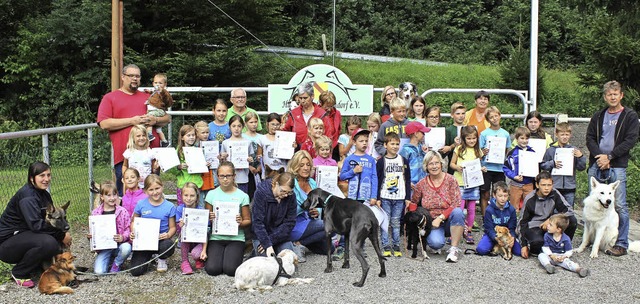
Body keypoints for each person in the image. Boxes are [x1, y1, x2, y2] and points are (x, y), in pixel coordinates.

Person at [97, 64, 171, 196]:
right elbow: (104, 123)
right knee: (126, 196)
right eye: (131, 76)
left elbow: (167, 118)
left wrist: (156, 120)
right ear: (123, 77)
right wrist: (132, 121)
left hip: (151, 157)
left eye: (137, 76)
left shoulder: (148, 97)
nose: (134, 79)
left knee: (152, 195)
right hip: (126, 158)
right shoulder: (110, 98)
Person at [585, 80, 639, 257]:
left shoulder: (629, 116)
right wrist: (600, 157)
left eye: (616, 94)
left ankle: (621, 243)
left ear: (621, 95)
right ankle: (590, 240)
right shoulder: (599, 116)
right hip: (597, 163)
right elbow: (590, 138)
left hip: (617, 165)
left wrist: (610, 156)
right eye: (609, 94)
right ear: (605, 96)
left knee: (620, 205)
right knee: (594, 201)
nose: (613, 97)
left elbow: (630, 140)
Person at [0, 162, 72, 288]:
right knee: (48, 243)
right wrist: (61, 235)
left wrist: (61, 231)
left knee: (51, 241)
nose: (46, 179)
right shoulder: (27, 197)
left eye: (48, 175)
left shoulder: (44, 194)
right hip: (6, 244)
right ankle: (19, 272)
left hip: (23, 237)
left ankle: (39, 267)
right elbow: (36, 226)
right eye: (42, 176)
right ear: (32, 178)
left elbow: (49, 221)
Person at [411, 151, 465, 263]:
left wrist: (441, 217)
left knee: (459, 212)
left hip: (449, 218)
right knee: (436, 244)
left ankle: (453, 249)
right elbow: (414, 203)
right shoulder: (421, 184)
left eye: (436, 163)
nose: (434, 166)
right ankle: (437, 243)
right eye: (431, 164)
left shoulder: (451, 180)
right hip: (432, 223)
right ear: (426, 166)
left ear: (441, 164)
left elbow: (456, 203)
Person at [204, 162, 251, 276]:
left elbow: (248, 220)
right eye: (222, 176)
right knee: (212, 269)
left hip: (236, 238)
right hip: (216, 237)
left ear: (234, 176)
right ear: (217, 177)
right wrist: (209, 217)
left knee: (231, 270)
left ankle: (238, 251)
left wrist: (240, 222)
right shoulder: (211, 194)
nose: (225, 179)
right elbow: (205, 219)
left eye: (228, 176)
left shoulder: (242, 196)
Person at [519, 171, 576, 259]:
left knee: (572, 220)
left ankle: (563, 245)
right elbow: (522, 223)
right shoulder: (530, 199)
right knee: (537, 242)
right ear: (537, 185)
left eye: (549, 185)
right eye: (543, 185)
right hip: (534, 227)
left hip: (550, 223)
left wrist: (550, 220)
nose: (546, 188)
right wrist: (523, 245)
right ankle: (539, 249)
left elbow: (569, 210)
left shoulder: (555, 194)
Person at [129, 174, 176, 276]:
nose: (155, 192)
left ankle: (161, 258)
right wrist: (133, 231)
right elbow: (133, 221)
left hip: (161, 240)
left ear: (162, 187)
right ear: (145, 191)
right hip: (144, 241)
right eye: (151, 190)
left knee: (168, 245)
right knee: (136, 271)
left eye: (157, 188)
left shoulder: (170, 206)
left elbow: (173, 228)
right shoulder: (141, 204)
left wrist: (168, 235)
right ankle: (149, 256)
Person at [288, 150, 330, 261]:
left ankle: (299, 244)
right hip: (295, 224)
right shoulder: (291, 183)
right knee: (333, 224)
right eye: (302, 165)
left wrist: (317, 211)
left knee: (329, 249)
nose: (306, 168)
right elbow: (289, 211)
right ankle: (297, 243)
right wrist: (304, 207)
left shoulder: (312, 182)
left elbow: (319, 205)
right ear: (295, 166)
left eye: (308, 165)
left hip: (309, 222)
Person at [376, 132, 411, 257]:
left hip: (400, 197)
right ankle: (385, 245)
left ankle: (396, 245)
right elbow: (377, 180)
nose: (395, 146)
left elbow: (407, 179)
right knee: (385, 221)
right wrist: (377, 198)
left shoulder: (403, 160)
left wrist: (408, 197)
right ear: (385, 145)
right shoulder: (381, 162)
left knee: (396, 222)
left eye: (397, 144)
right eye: (392, 143)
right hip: (385, 196)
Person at [449, 126, 486, 244]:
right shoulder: (459, 149)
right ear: (464, 139)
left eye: (474, 138)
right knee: (459, 208)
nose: (472, 141)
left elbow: (478, 166)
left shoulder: (478, 151)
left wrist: (482, 169)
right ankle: (455, 232)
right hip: (460, 182)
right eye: (469, 138)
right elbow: (452, 164)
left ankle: (468, 231)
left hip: (473, 183)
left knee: (472, 208)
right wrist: (458, 167)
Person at [89, 180, 131, 274]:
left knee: (127, 248)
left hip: (119, 245)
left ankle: (117, 263)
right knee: (99, 272)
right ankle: (109, 260)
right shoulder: (96, 213)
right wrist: (91, 237)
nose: (112, 198)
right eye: (108, 195)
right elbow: (94, 232)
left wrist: (123, 237)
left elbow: (128, 229)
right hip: (105, 247)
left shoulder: (122, 211)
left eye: (114, 194)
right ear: (102, 197)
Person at [540, 122, 586, 207]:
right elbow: (543, 165)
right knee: (553, 209)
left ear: (570, 135)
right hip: (554, 185)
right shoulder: (551, 150)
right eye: (562, 134)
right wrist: (552, 163)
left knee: (568, 210)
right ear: (556, 134)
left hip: (569, 186)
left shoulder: (574, 150)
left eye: (567, 134)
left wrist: (581, 157)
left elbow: (581, 167)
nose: (565, 137)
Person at [251, 172, 297, 257]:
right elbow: (257, 222)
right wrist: (267, 244)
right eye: (283, 191)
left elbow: (290, 222)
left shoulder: (291, 196)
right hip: (261, 235)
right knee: (265, 263)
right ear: (276, 184)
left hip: (280, 235)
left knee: (288, 259)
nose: (286, 195)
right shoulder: (261, 193)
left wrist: (272, 239)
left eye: (289, 192)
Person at [479, 106, 510, 216]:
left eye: (496, 116)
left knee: (500, 193)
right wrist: (484, 152)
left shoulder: (505, 134)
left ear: (500, 116)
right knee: (485, 193)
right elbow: (479, 152)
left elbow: (507, 150)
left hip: (499, 168)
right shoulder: (484, 134)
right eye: (491, 117)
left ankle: (498, 215)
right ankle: (485, 217)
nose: (494, 119)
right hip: (487, 168)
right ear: (487, 120)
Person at [476, 181, 521, 257]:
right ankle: (495, 244)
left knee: (519, 252)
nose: (503, 199)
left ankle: (501, 247)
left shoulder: (511, 209)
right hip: (494, 234)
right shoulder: (489, 210)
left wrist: (512, 238)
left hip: (506, 235)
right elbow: (488, 228)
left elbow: (512, 227)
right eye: (500, 196)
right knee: (481, 250)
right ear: (494, 195)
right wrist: (495, 238)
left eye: (505, 196)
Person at [176, 182, 207, 275]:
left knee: (195, 253)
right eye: (186, 195)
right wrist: (180, 225)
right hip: (186, 239)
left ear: (197, 197)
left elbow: (205, 232)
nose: (188, 198)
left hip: (199, 240)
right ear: (181, 196)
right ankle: (184, 262)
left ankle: (199, 259)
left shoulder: (201, 211)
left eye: (192, 195)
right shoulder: (179, 209)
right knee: (184, 237)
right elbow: (177, 228)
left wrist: (204, 250)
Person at [503, 126, 535, 212]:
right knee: (513, 207)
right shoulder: (512, 153)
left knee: (529, 206)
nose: (524, 141)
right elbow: (506, 168)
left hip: (529, 183)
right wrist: (514, 176)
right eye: (522, 138)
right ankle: (513, 223)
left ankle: (526, 224)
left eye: (526, 138)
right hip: (515, 184)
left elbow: (536, 167)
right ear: (517, 139)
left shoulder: (532, 152)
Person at [221, 115, 255, 194]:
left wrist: (250, 160)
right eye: (234, 126)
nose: (236, 128)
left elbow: (252, 160)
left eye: (239, 126)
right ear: (230, 127)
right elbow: (222, 163)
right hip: (228, 179)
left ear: (243, 127)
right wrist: (222, 158)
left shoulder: (248, 142)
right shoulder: (225, 143)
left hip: (243, 178)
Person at [172, 125, 204, 205]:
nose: (191, 137)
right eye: (188, 135)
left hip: (197, 184)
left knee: (197, 208)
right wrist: (178, 167)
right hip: (183, 184)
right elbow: (172, 170)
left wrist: (205, 165)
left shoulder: (198, 151)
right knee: (182, 208)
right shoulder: (178, 152)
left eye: (193, 135)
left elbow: (202, 170)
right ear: (182, 137)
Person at [122, 124, 156, 189]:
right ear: (133, 138)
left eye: (143, 135)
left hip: (146, 186)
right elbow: (125, 165)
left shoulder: (150, 152)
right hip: (132, 185)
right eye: (138, 136)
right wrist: (125, 176)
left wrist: (155, 168)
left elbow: (153, 170)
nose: (141, 138)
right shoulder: (129, 152)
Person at [257, 113, 289, 179]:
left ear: (280, 125)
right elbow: (259, 155)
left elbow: (289, 156)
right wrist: (259, 157)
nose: (275, 127)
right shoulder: (262, 139)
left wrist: (292, 146)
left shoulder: (285, 138)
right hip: (268, 174)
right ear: (267, 124)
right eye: (272, 124)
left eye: (277, 124)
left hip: (282, 172)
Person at [400, 121, 430, 188]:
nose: (424, 135)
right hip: (411, 185)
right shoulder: (406, 150)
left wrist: (425, 153)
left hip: (423, 184)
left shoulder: (422, 148)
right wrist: (407, 181)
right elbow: (401, 168)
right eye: (422, 132)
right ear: (416, 133)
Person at [147, 73, 171, 146]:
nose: (158, 85)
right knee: (158, 129)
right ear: (153, 83)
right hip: (156, 111)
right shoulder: (156, 91)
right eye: (156, 83)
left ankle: (149, 134)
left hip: (158, 111)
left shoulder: (164, 92)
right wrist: (149, 92)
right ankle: (164, 141)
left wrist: (162, 91)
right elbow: (154, 95)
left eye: (160, 83)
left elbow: (166, 97)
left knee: (148, 118)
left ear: (165, 84)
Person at [242, 112, 263, 200]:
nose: (254, 124)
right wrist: (249, 166)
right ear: (246, 123)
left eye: (255, 122)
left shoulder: (261, 137)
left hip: (259, 170)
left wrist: (260, 166)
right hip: (247, 171)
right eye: (251, 122)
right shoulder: (242, 137)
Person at [319, 90, 342, 161]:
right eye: (326, 107)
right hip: (320, 147)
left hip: (334, 147)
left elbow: (339, 130)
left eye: (331, 106)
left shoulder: (337, 113)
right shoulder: (316, 113)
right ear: (320, 103)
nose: (329, 109)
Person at [445, 102, 466, 175]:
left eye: (463, 113)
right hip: (453, 165)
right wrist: (454, 145)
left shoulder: (469, 129)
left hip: (467, 164)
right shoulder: (449, 130)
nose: (461, 116)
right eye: (458, 114)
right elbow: (446, 150)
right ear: (452, 115)